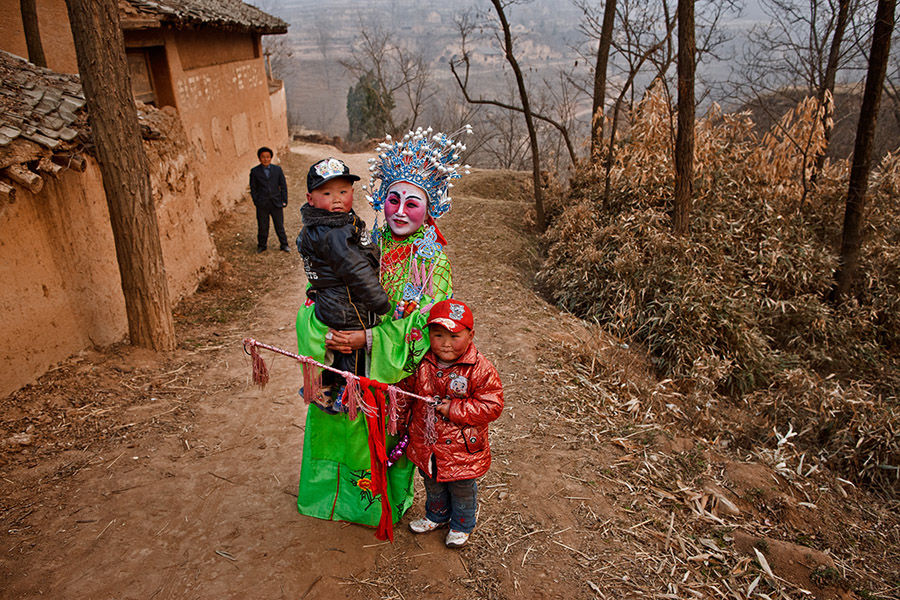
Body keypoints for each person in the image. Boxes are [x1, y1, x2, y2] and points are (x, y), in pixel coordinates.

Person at [295, 127, 471, 530]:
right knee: (331, 420)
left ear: (430, 209)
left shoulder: (434, 265)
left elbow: (427, 328)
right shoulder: (365, 237)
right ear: (381, 200)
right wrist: (319, 317)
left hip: (386, 374)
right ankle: (324, 498)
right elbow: (323, 285)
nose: (400, 211)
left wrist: (369, 338)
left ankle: (370, 507)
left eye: (413, 203)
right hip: (340, 360)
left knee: (377, 438)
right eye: (393, 199)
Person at [397, 299, 503, 548]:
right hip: (427, 442)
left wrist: (454, 408)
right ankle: (436, 516)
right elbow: (404, 392)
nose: (445, 343)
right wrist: (401, 421)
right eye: (438, 335)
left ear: (470, 335)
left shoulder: (480, 369)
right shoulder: (421, 362)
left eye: (454, 336)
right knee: (432, 481)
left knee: (462, 487)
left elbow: (493, 406)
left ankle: (461, 525)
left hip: (462, 449)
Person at [297, 157, 390, 412]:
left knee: (338, 351)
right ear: (311, 198)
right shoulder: (333, 232)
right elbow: (356, 270)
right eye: (326, 193)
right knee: (350, 348)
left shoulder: (322, 225)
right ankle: (347, 397)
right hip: (346, 305)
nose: (337, 199)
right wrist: (381, 303)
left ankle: (325, 386)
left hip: (331, 300)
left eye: (343, 191)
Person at [249, 146, 289, 253]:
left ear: (271, 158)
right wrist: (256, 201)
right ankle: (262, 245)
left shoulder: (277, 170)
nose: (265, 159)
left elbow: (283, 186)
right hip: (262, 204)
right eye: (263, 157)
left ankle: (284, 244)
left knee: (279, 225)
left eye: (268, 157)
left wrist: (284, 200)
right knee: (263, 226)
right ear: (259, 158)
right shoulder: (255, 171)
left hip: (276, 203)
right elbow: (253, 188)